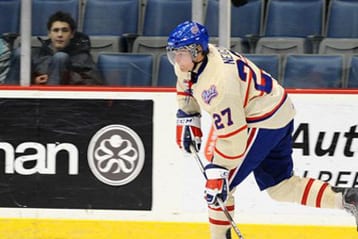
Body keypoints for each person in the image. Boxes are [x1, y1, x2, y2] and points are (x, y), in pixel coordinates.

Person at [167, 21, 358, 239]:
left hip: (262, 119)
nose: (176, 59)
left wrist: (219, 170)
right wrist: (188, 114)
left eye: (180, 53)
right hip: (278, 110)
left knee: (220, 186)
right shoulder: (193, 62)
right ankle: (350, 198)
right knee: (280, 187)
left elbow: (234, 139)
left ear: (197, 51)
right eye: (173, 53)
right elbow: (185, 84)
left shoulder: (218, 83)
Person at [6, 11, 104, 85]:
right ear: (49, 34)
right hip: (31, 103)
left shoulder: (82, 57)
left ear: (72, 34)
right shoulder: (37, 54)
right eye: (56, 30)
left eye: (64, 30)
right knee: (20, 53)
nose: (60, 35)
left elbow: (94, 83)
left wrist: (67, 76)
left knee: (60, 57)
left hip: (63, 105)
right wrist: (33, 80)